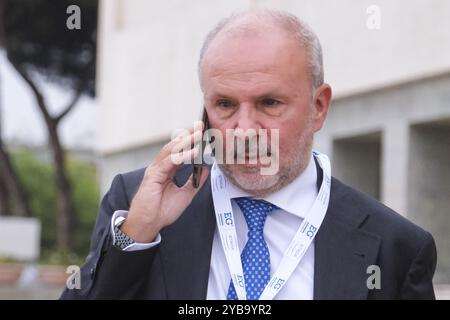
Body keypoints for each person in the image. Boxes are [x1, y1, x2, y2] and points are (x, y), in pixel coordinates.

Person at [61, 9, 437, 300]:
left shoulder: (395, 246)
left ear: (318, 107)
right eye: (224, 104)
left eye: (269, 103)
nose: (244, 129)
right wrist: (136, 236)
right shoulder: (138, 202)